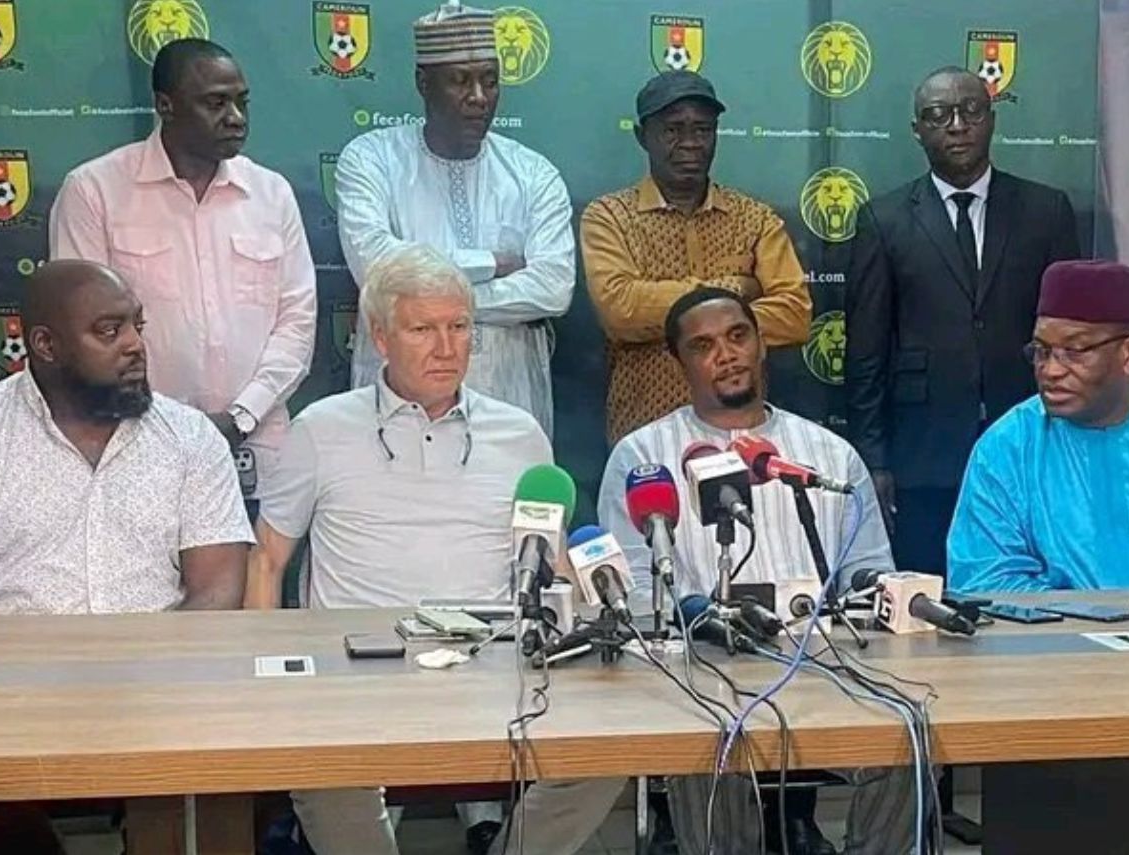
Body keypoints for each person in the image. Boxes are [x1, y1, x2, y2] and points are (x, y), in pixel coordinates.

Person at [244, 245, 623, 855]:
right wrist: (262, 682)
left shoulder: (519, 433)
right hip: (358, 671)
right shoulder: (321, 428)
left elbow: (550, 564)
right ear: (380, 337)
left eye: (459, 327)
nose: (447, 348)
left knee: (612, 752)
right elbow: (267, 559)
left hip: (495, 663)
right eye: (423, 329)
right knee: (324, 773)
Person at [599, 288, 906, 855]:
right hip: (701, 677)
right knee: (703, 745)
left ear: (762, 344)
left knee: (907, 735)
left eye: (738, 336)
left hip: (823, 671)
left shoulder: (829, 455)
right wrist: (696, 621)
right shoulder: (642, 459)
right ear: (680, 362)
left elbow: (869, 574)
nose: (727, 354)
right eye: (704, 346)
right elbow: (635, 591)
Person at [50, 38, 316, 511]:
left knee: (258, 562)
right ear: (165, 105)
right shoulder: (94, 191)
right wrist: (163, 426)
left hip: (258, 447)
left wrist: (241, 416)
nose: (236, 117)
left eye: (242, 102)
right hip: (134, 446)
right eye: (216, 103)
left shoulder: (271, 194)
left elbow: (297, 320)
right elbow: (83, 331)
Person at [845, 65, 1081, 576]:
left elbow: (1071, 336)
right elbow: (866, 351)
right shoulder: (883, 219)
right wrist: (875, 460)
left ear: (991, 119)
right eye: (939, 115)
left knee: (1031, 586)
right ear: (917, 130)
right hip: (923, 452)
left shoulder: (1046, 210)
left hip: (1031, 442)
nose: (957, 125)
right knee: (929, 592)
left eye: (971, 110)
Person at [0, 259, 252, 615]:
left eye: (137, 326)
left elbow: (218, 593)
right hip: (9, 650)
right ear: (46, 345)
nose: (135, 345)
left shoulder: (192, 437)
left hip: (161, 649)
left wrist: (155, 653)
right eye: (109, 331)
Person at [335, 2, 574, 436]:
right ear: (423, 83)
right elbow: (375, 268)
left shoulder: (533, 173)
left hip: (509, 403)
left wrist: (419, 306)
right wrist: (492, 263)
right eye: (461, 81)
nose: (478, 97)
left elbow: (553, 287)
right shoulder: (371, 160)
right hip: (397, 411)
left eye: (490, 81)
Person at [949, 260, 1129, 592]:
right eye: (1042, 351)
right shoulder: (1007, 449)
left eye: (1074, 351)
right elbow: (986, 582)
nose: (1051, 370)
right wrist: (1087, 617)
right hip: (1059, 627)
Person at [582, 71, 811, 443]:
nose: (690, 143)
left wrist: (664, 311)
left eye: (702, 130)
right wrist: (733, 289)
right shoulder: (609, 216)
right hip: (645, 433)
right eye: (673, 130)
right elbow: (620, 310)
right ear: (643, 136)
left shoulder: (755, 218)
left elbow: (795, 315)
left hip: (743, 432)